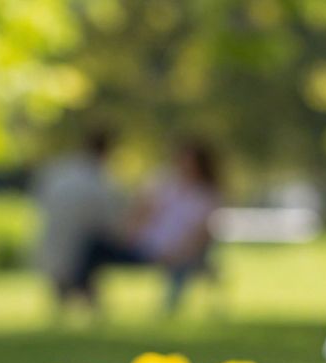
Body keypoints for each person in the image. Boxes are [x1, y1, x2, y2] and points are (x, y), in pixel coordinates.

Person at [71, 139, 222, 313]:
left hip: (176, 254)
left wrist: (175, 254)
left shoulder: (207, 196)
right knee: (94, 245)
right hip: (142, 248)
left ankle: (169, 310)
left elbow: (201, 236)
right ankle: (86, 299)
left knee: (184, 265)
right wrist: (126, 235)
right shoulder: (164, 184)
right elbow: (138, 214)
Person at [33, 128, 125, 309]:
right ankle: (84, 298)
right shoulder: (99, 179)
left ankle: (72, 297)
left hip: (55, 238)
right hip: (80, 242)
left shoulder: (60, 170)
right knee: (85, 257)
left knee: (67, 265)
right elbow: (108, 218)